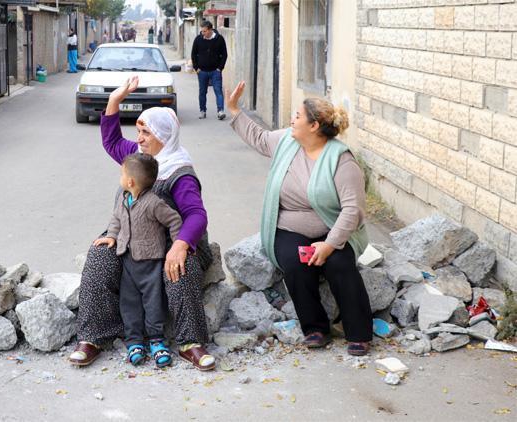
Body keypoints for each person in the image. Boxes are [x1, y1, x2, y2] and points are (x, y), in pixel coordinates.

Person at [70, 76, 216, 371]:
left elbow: (196, 216)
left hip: (171, 240)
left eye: (145, 132)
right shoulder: (140, 159)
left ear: (163, 135)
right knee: (99, 258)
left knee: (180, 267)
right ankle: (93, 337)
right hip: (130, 236)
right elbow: (111, 141)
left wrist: (180, 245)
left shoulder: (180, 171)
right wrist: (114, 99)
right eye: (137, 131)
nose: (138, 138)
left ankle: (191, 343)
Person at [226, 81, 373, 356]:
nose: (292, 119)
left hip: (334, 230)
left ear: (314, 126)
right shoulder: (287, 141)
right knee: (295, 262)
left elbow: (352, 210)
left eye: (297, 116)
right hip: (289, 227)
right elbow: (258, 137)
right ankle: (315, 329)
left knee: (339, 264)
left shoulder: (341, 160)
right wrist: (234, 109)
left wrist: (329, 245)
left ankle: (359, 332)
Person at [94, 153, 180, 368]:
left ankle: (157, 341)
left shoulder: (153, 203)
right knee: (129, 303)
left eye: (122, 173)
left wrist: (178, 244)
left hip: (151, 263)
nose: (120, 177)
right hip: (128, 261)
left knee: (153, 303)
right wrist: (111, 236)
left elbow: (174, 220)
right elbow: (116, 219)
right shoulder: (125, 198)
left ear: (130, 181)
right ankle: (134, 342)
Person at [191, 20, 228, 120]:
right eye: (202, 31)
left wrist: (220, 68)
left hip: (215, 72)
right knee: (202, 92)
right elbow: (193, 54)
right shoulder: (198, 39)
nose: (203, 33)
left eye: (204, 31)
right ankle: (202, 111)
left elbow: (224, 54)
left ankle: (220, 111)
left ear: (210, 30)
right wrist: (196, 68)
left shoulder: (219, 39)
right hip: (202, 71)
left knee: (218, 91)